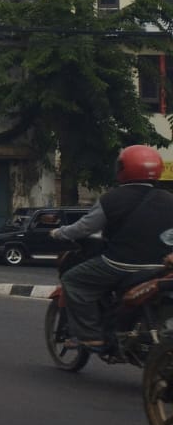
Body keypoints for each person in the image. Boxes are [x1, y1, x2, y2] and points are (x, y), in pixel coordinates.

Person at [50, 144, 173, 351]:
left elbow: (84, 228)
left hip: (120, 265)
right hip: (159, 267)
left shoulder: (111, 199)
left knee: (73, 280)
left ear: (122, 168)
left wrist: (58, 232)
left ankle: (90, 336)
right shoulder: (170, 199)